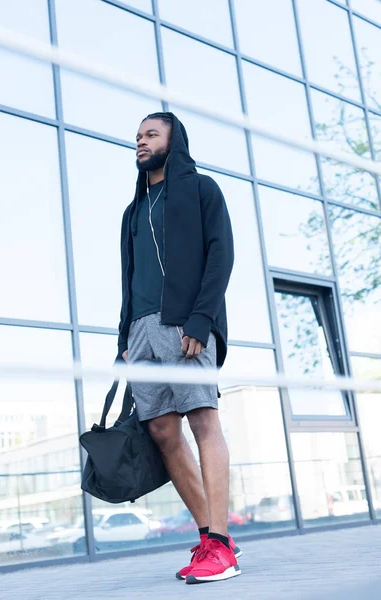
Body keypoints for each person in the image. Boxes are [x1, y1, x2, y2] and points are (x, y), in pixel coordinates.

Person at [117, 112, 241, 584]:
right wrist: (123, 339)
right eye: (138, 137)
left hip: (185, 321)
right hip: (141, 332)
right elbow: (128, 282)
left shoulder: (201, 189)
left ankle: (222, 546)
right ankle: (210, 536)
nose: (141, 142)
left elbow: (221, 253)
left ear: (173, 140)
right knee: (164, 432)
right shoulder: (134, 210)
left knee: (203, 420)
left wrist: (201, 318)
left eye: (151, 134)